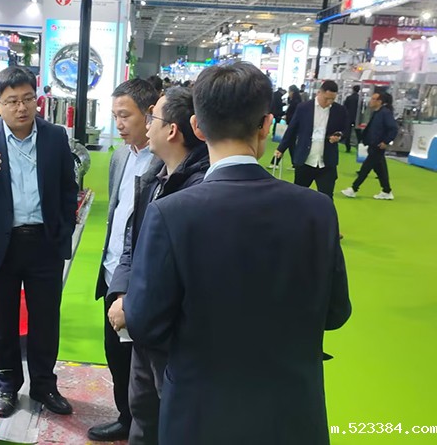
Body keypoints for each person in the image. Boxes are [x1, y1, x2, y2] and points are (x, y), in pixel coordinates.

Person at [124, 62, 351, 445]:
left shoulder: (171, 214)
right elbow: (336, 312)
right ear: (266, 125)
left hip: (199, 414)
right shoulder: (318, 210)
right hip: (292, 413)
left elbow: (145, 323)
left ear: (197, 127)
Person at [0, 67, 78, 418]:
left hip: (44, 243)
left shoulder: (54, 136)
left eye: (27, 99)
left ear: (36, 100)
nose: (21, 108)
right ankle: (7, 385)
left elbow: (69, 187)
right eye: (12, 102)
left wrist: (64, 228)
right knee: (1, 320)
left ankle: (44, 385)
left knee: (45, 320)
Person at [106, 87, 209, 445]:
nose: (147, 126)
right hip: (140, 323)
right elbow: (131, 241)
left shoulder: (199, 192)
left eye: (153, 118)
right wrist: (121, 292)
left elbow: (180, 275)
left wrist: (132, 306)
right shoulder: (154, 177)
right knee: (142, 412)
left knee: (172, 420)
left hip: (169, 334)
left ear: (173, 130)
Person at [88, 79, 162, 442]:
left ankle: (144, 427)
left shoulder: (165, 161)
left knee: (142, 364)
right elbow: (117, 213)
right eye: (115, 115)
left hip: (142, 280)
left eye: (125, 115)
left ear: (149, 115)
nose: (118, 123)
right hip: (112, 273)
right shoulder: (120, 156)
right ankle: (125, 417)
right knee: (115, 355)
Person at [274, 80, 349, 200]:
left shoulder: (339, 110)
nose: (329, 102)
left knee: (327, 199)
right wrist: (281, 148)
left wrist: (340, 135)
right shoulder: (303, 108)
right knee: (299, 197)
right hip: (305, 160)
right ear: (319, 93)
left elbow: (345, 129)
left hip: (327, 162)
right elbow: (292, 129)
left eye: (332, 99)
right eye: (326, 98)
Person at [341, 91, 398, 200]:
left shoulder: (385, 113)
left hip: (378, 145)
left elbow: (393, 129)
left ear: (379, 101)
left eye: (373, 99)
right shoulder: (377, 113)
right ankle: (386, 190)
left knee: (365, 168)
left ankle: (354, 188)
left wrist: (386, 141)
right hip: (373, 144)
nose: (370, 101)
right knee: (380, 170)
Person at [343, 85, 361, 153]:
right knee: (358, 134)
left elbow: (345, 107)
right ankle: (360, 147)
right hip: (357, 118)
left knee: (348, 134)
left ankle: (348, 148)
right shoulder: (360, 99)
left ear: (353, 89)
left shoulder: (349, 98)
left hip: (349, 117)